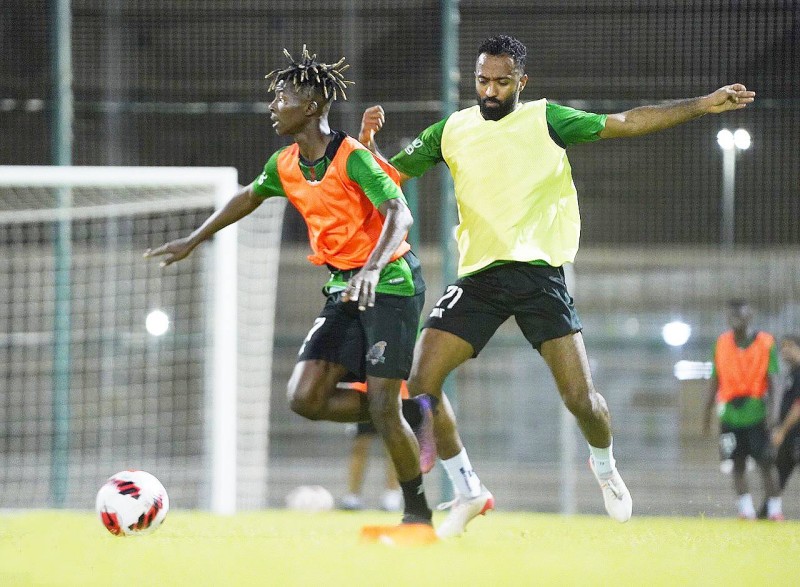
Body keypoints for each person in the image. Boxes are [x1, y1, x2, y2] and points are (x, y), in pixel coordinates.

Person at [360, 33, 757, 537]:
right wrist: (369, 149)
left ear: (522, 82)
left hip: (539, 274)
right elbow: (390, 175)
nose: (490, 90)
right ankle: (468, 488)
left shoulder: (546, 119)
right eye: (483, 80)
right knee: (421, 381)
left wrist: (701, 105)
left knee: (581, 401)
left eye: (502, 82)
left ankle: (605, 466)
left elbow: (626, 122)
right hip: (480, 276)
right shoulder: (451, 130)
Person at [145, 46, 435, 527]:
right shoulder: (285, 164)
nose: (273, 106)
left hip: (390, 282)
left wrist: (370, 268)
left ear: (312, 107)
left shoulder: (352, 159)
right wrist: (195, 238)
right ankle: (407, 413)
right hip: (344, 286)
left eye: (282, 98)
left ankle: (417, 515)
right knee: (305, 398)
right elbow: (248, 196)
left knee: (383, 408)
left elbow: (399, 214)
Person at [703, 300, 783, 520]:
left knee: (766, 463)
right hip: (729, 415)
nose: (735, 318)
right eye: (731, 314)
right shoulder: (720, 343)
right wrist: (706, 414)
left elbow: (774, 382)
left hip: (757, 415)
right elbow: (714, 380)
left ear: (750, 315)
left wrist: (774, 413)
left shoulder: (766, 343)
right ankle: (745, 510)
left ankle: (775, 510)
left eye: (740, 313)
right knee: (736, 464)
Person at [338, 381, 410, 512]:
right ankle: (352, 496)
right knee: (359, 444)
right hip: (363, 393)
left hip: (395, 393)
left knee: (393, 446)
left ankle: (392, 495)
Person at [758, 335, 800, 518]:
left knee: (780, 474)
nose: (784, 350)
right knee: (779, 474)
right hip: (791, 436)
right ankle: (766, 514)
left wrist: (782, 431)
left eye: (789, 346)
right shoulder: (792, 373)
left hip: (794, 435)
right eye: (782, 347)